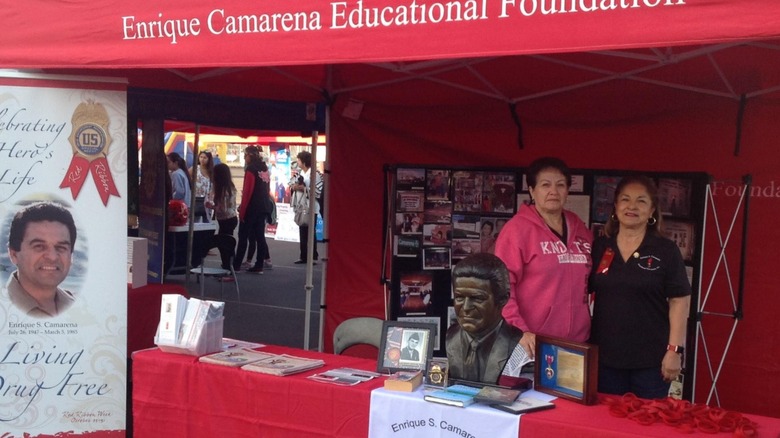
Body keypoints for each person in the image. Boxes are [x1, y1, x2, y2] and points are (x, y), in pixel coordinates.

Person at [589, 175, 691, 399]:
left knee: (648, 427)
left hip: (651, 363)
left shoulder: (666, 250)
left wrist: (674, 351)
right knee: (606, 428)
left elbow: (679, 301)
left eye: (641, 201)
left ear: (652, 210)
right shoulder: (599, 247)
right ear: (615, 206)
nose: (632, 206)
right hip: (605, 360)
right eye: (625, 200)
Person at [494, 157, 592, 359]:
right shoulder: (517, 230)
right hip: (532, 343)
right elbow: (501, 285)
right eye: (545, 185)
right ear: (532, 190)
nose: (553, 191)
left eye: (560, 185)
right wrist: (519, 330)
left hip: (577, 343)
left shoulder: (580, 227)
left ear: (567, 191)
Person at [446, 253, 524, 384]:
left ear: (502, 299)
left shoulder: (516, 344)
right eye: (459, 297)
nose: (466, 307)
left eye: (477, 298)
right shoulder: (450, 336)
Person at [4, 202, 77, 318]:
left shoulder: (79, 306)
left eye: (61, 247)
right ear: (13, 254)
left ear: (71, 255)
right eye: (39, 246)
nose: (52, 257)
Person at [234, 147, 272, 274]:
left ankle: (237, 265)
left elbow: (247, 192)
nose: (245, 158)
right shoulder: (264, 168)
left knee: (243, 237)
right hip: (263, 207)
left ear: (250, 155)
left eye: (245, 155)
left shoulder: (250, 169)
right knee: (260, 237)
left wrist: (242, 211)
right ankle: (259, 265)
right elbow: (267, 189)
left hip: (251, 208)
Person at [289, 150, 322, 264]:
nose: (297, 162)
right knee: (302, 230)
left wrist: (302, 188)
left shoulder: (315, 174)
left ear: (303, 162)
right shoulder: (300, 173)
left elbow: (318, 191)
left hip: (311, 207)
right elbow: (291, 184)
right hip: (301, 205)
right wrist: (294, 186)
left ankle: (312, 256)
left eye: (298, 160)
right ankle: (303, 256)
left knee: (310, 232)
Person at [206, 163, 238, 270]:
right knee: (228, 243)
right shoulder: (230, 187)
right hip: (231, 218)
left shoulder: (223, 190)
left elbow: (223, 209)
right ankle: (230, 265)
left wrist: (212, 207)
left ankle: (227, 266)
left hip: (226, 219)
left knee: (224, 244)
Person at [193, 150, 214, 222]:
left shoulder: (211, 171)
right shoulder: (195, 169)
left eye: (205, 158)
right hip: (196, 198)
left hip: (208, 199)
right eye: (201, 157)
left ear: (209, 159)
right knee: (195, 220)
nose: (202, 159)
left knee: (207, 219)